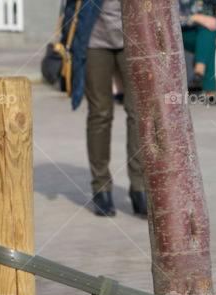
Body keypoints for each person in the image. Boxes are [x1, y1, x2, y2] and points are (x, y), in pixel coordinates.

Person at [62, 0, 146, 219]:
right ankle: (101, 187)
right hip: (94, 39)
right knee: (100, 113)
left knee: (139, 112)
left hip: (134, 38)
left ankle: (139, 187)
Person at [180, 0, 216, 103]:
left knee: (208, 31)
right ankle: (210, 92)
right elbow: (169, 19)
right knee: (208, 42)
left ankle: (200, 68)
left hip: (208, 27)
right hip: (184, 32)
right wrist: (196, 18)